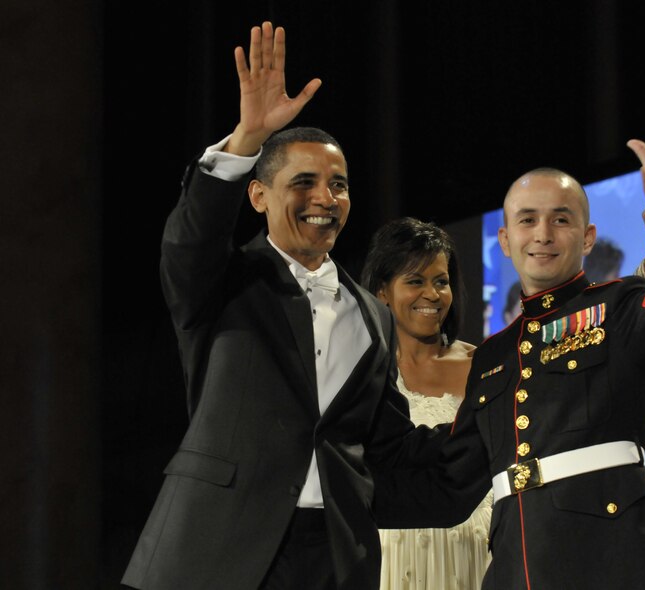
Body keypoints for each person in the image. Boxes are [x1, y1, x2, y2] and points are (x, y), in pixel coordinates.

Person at [374, 87, 645, 588]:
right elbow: (447, 480)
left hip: (616, 563)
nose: (543, 233)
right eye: (527, 220)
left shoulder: (622, 307)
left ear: (587, 237)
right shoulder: (494, 356)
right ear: (505, 240)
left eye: (561, 219)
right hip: (516, 568)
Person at [122, 22, 441, 590]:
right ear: (258, 194)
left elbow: (388, 453)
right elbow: (187, 240)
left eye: (339, 184)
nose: (325, 198)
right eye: (305, 182)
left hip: (333, 557)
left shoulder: (373, 315)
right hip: (218, 548)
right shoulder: (221, 282)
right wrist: (247, 138)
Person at [361, 217, 492, 589]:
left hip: (475, 554)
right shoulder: (361, 371)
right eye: (415, 281)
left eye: (441, 281)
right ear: (383, 290)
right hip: (389, 557)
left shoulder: (481, 367)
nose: (432, 295)